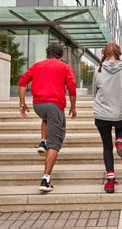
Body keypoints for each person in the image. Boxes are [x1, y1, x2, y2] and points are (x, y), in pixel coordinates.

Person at [18, 43, 77, 192]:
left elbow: (22, 82)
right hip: (54, 105)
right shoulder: (64, 67)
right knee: (55, 143)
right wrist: (73, 106)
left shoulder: (37, 65)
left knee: (46, 118)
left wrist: (22, 104)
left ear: (47, 53)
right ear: (60, 55)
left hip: (38, 106)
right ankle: (45, 179)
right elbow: (72, 88)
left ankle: (43, 141)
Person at [93, 43, 122, 193]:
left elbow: (94, 92)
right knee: (121, 120)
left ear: (105, 53)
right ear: (118, 53)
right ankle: (119, 141)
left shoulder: (98, 69)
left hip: (101, 114)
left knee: (106, 147)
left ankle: (110, 182)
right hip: (119, 114)